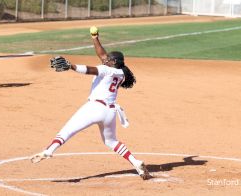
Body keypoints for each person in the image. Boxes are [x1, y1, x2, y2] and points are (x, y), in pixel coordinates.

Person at [30, 32, 152, 180]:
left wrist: (71, 66)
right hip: (110, 112)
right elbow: (102, 55)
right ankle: (136, 162)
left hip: (94, 108)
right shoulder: (121, 73)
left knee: (68, 130)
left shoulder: (106, 69)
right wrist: (95, 38)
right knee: (111, 141)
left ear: (113, 62)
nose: (105, 59)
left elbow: (89, 70)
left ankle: (49, 150)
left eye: (108, 59)